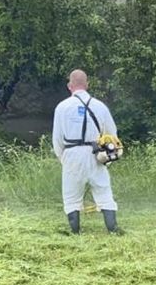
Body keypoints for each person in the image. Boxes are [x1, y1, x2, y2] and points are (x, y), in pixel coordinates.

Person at [52, 69, 123, 235]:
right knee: (104, 192)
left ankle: (75, 232)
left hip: (71, 153)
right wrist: (107, 156)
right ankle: (113, 230)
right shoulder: (100, 106)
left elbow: (57, 138)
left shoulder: (62, 107)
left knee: (71, 196)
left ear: (69, 86)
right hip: (95, 153)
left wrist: (62, 158)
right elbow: (112, 135)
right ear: (87, 84)